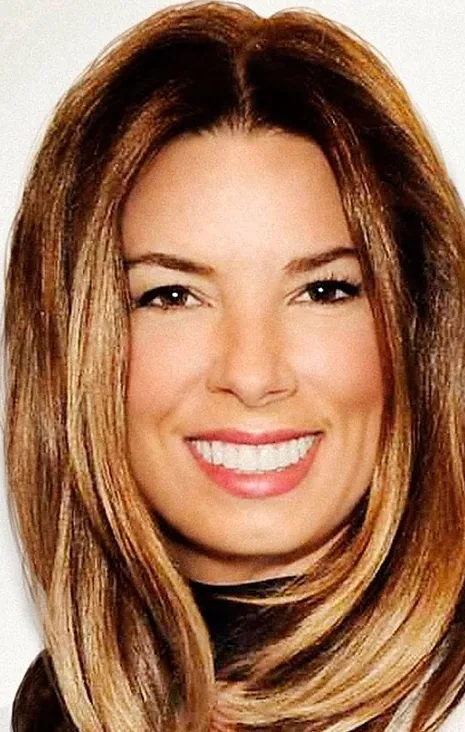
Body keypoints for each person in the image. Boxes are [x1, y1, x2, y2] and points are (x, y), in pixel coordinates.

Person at [5, 1, 465, 730]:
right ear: (75, 344)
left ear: (416, 329)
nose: (252, 375)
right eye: (172, 295)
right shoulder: (58, 708)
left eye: (323, 290)